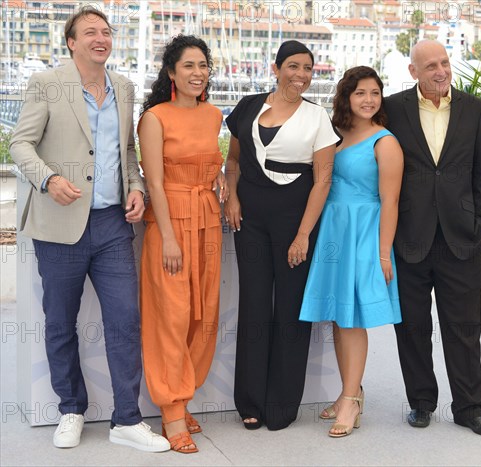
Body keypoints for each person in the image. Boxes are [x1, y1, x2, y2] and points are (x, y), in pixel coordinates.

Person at [9, 7, 169, 452]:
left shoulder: (123, 87)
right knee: (60, 322)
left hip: (113, 223)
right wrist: (48, 179)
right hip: (59, 225)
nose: (101, 38)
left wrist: (136, 188)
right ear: (71, 42)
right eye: (90, 33)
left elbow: (127, 149)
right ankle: (70, 409)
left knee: (126, 320)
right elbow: (20, 143)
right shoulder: (47, 84)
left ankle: (127, 420)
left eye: (106, 31)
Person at [383, 40, 481, 436]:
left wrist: (480, 224)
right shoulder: (393, 108)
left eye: (445, 63)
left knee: (464, 328)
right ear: (414, 71)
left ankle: (469, 408)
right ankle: (421, 402)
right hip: (409, 238)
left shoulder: (474, 110)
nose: (440, 71)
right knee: (413, 327)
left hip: (460, 239)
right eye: (430, 65)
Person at [223, 40, 339, 431]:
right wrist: (232, 198)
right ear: (275, 68)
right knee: (254, 304)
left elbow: (323, 181)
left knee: (291, 308)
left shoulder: (318, 117)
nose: (301, 75)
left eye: (308, 68)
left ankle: (283, 404)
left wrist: (304, 235)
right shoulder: (248, 107)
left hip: (295, 219)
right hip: (249, 219)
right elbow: (233, 161)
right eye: (293, 66)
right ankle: (251, 402)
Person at [299, 66, 404, 438]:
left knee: (353, 320)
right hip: (333, 230)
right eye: (361, 92)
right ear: (347, 96)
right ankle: (351, 393)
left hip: (363, 234)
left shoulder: (385, 142)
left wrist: (383, 253)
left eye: (375, 93)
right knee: (337, 318)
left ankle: (349, 400)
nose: (369, 100)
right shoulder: (336, 133)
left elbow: (390, 202)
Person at [138, 34, 226, 454]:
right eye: (188, 65)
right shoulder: (155, 117)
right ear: (171, 72)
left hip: (208, 218)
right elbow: (154, 181)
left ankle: (184, 395)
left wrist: (222, 181)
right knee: (171, 316)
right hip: (170, 222)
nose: (197, 72)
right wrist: (169, 237)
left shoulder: (214, 115)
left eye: (203, 65)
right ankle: (171, 411)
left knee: (203, 312)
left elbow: (212, 162)